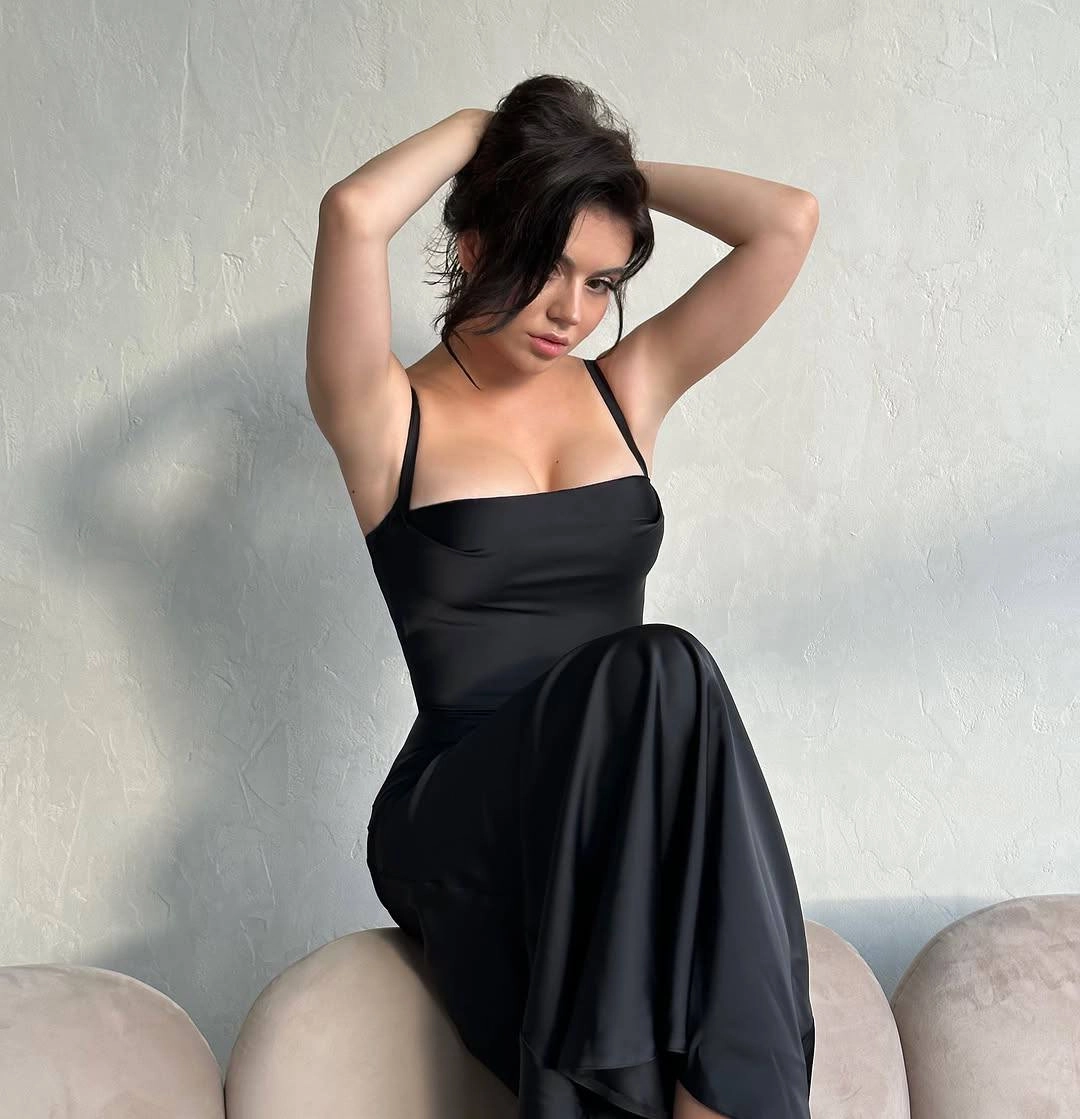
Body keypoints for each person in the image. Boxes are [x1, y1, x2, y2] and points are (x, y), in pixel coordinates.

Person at [305, 74, 819, 1119]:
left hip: (616, 803)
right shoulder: (384, 413)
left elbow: (787, 222)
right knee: (664, 663)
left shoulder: (625, 389)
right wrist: (479, 135)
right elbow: (352, 213)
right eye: (549, 266)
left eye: (601, 282)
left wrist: (602, 174)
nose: (572, 313)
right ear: (476, 244)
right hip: (463, 803)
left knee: (662, 678)